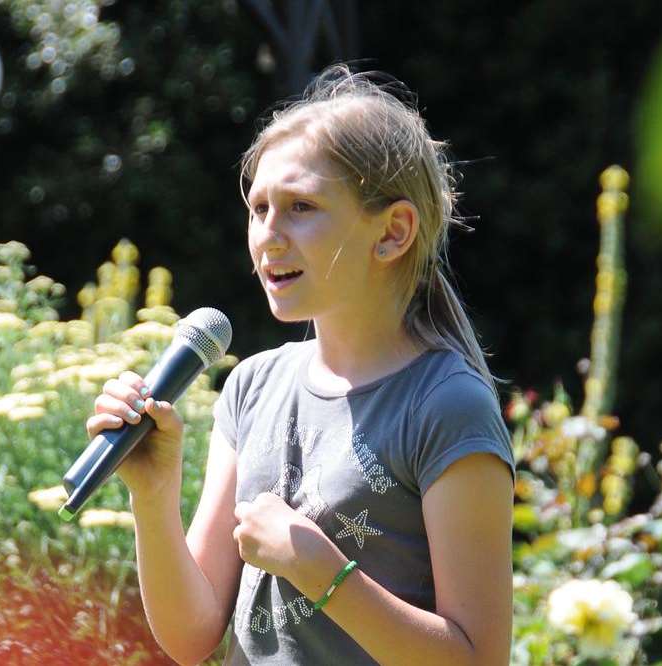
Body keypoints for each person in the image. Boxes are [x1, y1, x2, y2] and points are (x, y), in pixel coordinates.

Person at [86, 64, 515, 665]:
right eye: (258, 208)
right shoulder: (252, 386)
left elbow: (479, 659)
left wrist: (323, 573)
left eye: (300, 207)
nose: (268, 235)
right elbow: (192, 636)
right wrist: (154, 495)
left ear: (392, 233)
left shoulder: (445, 404)